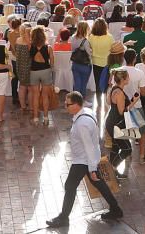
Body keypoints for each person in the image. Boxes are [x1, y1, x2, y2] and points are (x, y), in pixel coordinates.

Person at [46, 90, 123, 227]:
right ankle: (116, 209)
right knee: (98, 183)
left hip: (83, 161)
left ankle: (63, 218)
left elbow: (89, 147)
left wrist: (92, 168)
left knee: (70, 186)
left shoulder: (82, 124)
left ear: (76, 104)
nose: (65, 106)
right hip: (88, 159)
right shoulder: (87, 112)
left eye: (67, 104)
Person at [28, 26, 54, 124]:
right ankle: (46, 118)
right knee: (45, 95)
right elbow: (52, 62)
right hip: (45, 71)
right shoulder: (49, 47)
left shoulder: (30, 46)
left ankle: (35, 118)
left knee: (35, 95)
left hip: (34, 71)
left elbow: (29, 59)